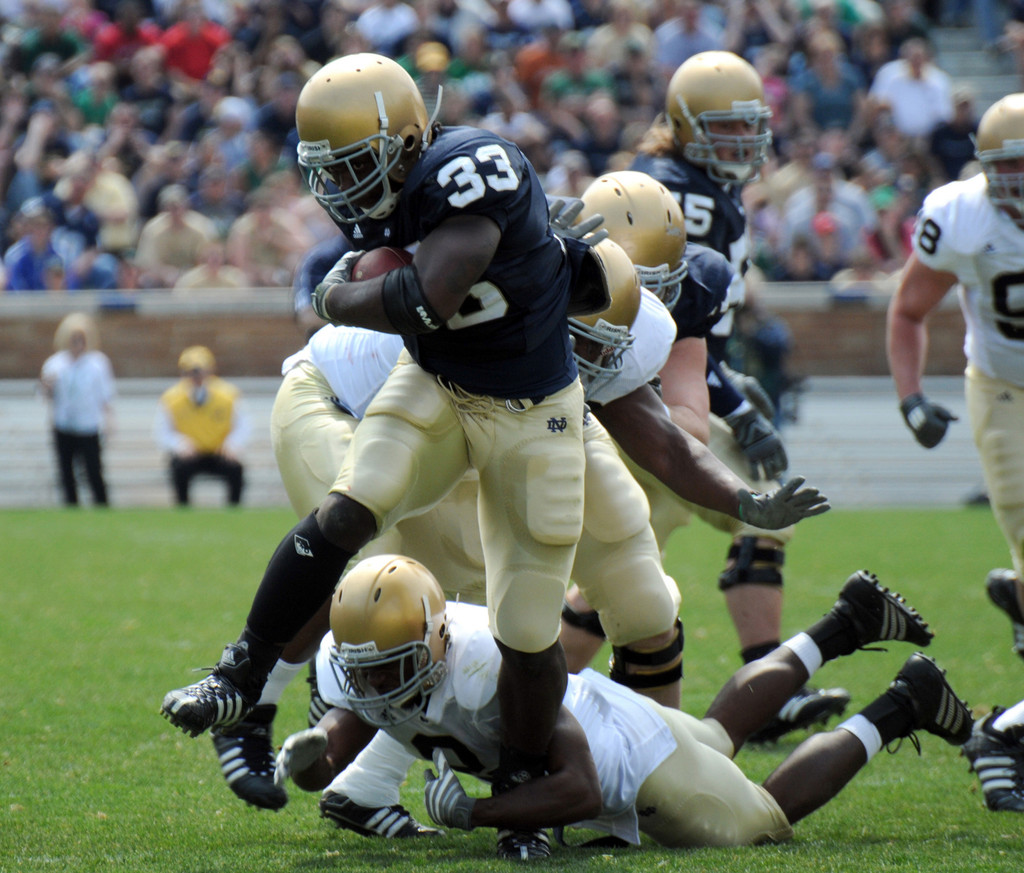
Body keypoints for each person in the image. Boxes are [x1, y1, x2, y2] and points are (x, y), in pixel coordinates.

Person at [211, 229, 828, 819]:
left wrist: (742, 500)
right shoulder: (483, 321)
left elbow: (664, 441)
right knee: (381, 563)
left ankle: (371, 786)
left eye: (601, 347)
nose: (594, 362)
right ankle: (253, 703)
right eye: (579, 343)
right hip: (351, 401)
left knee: (539, 598)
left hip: (514, 408)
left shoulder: (624, 327)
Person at [159, 53, 602, 850]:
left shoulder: (471, 169)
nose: (342, 189)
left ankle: (522, 782)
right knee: (348, 509)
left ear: (405, 141)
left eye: (356, 166)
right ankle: (241, 675)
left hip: (532, 412)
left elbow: (422, 296)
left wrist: (332, 295)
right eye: (327, 172)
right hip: (436, 383)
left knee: (527, 626)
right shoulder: (389, 193)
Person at [274, 553, 969, 854]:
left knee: (759, 820)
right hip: (605, 708)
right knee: (715, 734)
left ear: (437, 637)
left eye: (389, 668)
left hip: (625, 759)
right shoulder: (368, 660)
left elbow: (579, 787)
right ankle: (847, 621)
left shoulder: (489, 662)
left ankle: (907, 700)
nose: (374, 684)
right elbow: (348, 725)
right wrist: (311, 761)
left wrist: (476, 812)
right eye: (362, 671)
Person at [626, 60, 852, 741]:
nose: (739, 143)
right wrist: (740, 407)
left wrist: (730, 386)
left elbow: (699, 335)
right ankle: (563, 705)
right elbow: (670, 322)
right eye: (722, 128)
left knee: (741, 518)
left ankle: (763, 685)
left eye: (747, 128)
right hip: (643, 398)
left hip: (671, 391)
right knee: (630, 556)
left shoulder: (705, 189)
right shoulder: (680, 196)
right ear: (688, 127)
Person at [886, 92, 1024, 815]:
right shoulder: (961, 217)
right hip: (1004, 390)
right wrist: (911, 395)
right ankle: (1005, 733)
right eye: (1012, 168)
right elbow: (910, 308)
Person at [155, 345, 248, 507]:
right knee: (178, 468)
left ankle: (234, 510)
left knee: (235, 469)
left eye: (200, 372)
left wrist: (232, 444)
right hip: (190, 454)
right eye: (190, 372)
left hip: (218, 451)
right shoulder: (171, 398)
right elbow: (162, 431)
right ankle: (183, 508)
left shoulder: (228, 394)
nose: (196, 378)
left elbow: (243, 425)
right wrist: (179, 443)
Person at [39, 312, 115, 507]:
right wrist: (47, 388)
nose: (77, 343)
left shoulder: (97, 363)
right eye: (73, 339)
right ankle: (71, 507)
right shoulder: (55, 363)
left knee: (93, 470)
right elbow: (46, 396)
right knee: (66, 472)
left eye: (81, 338)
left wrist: (109, 420)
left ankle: (101, 505)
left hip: (87, 425)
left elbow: (105, 395)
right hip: (64, 423)